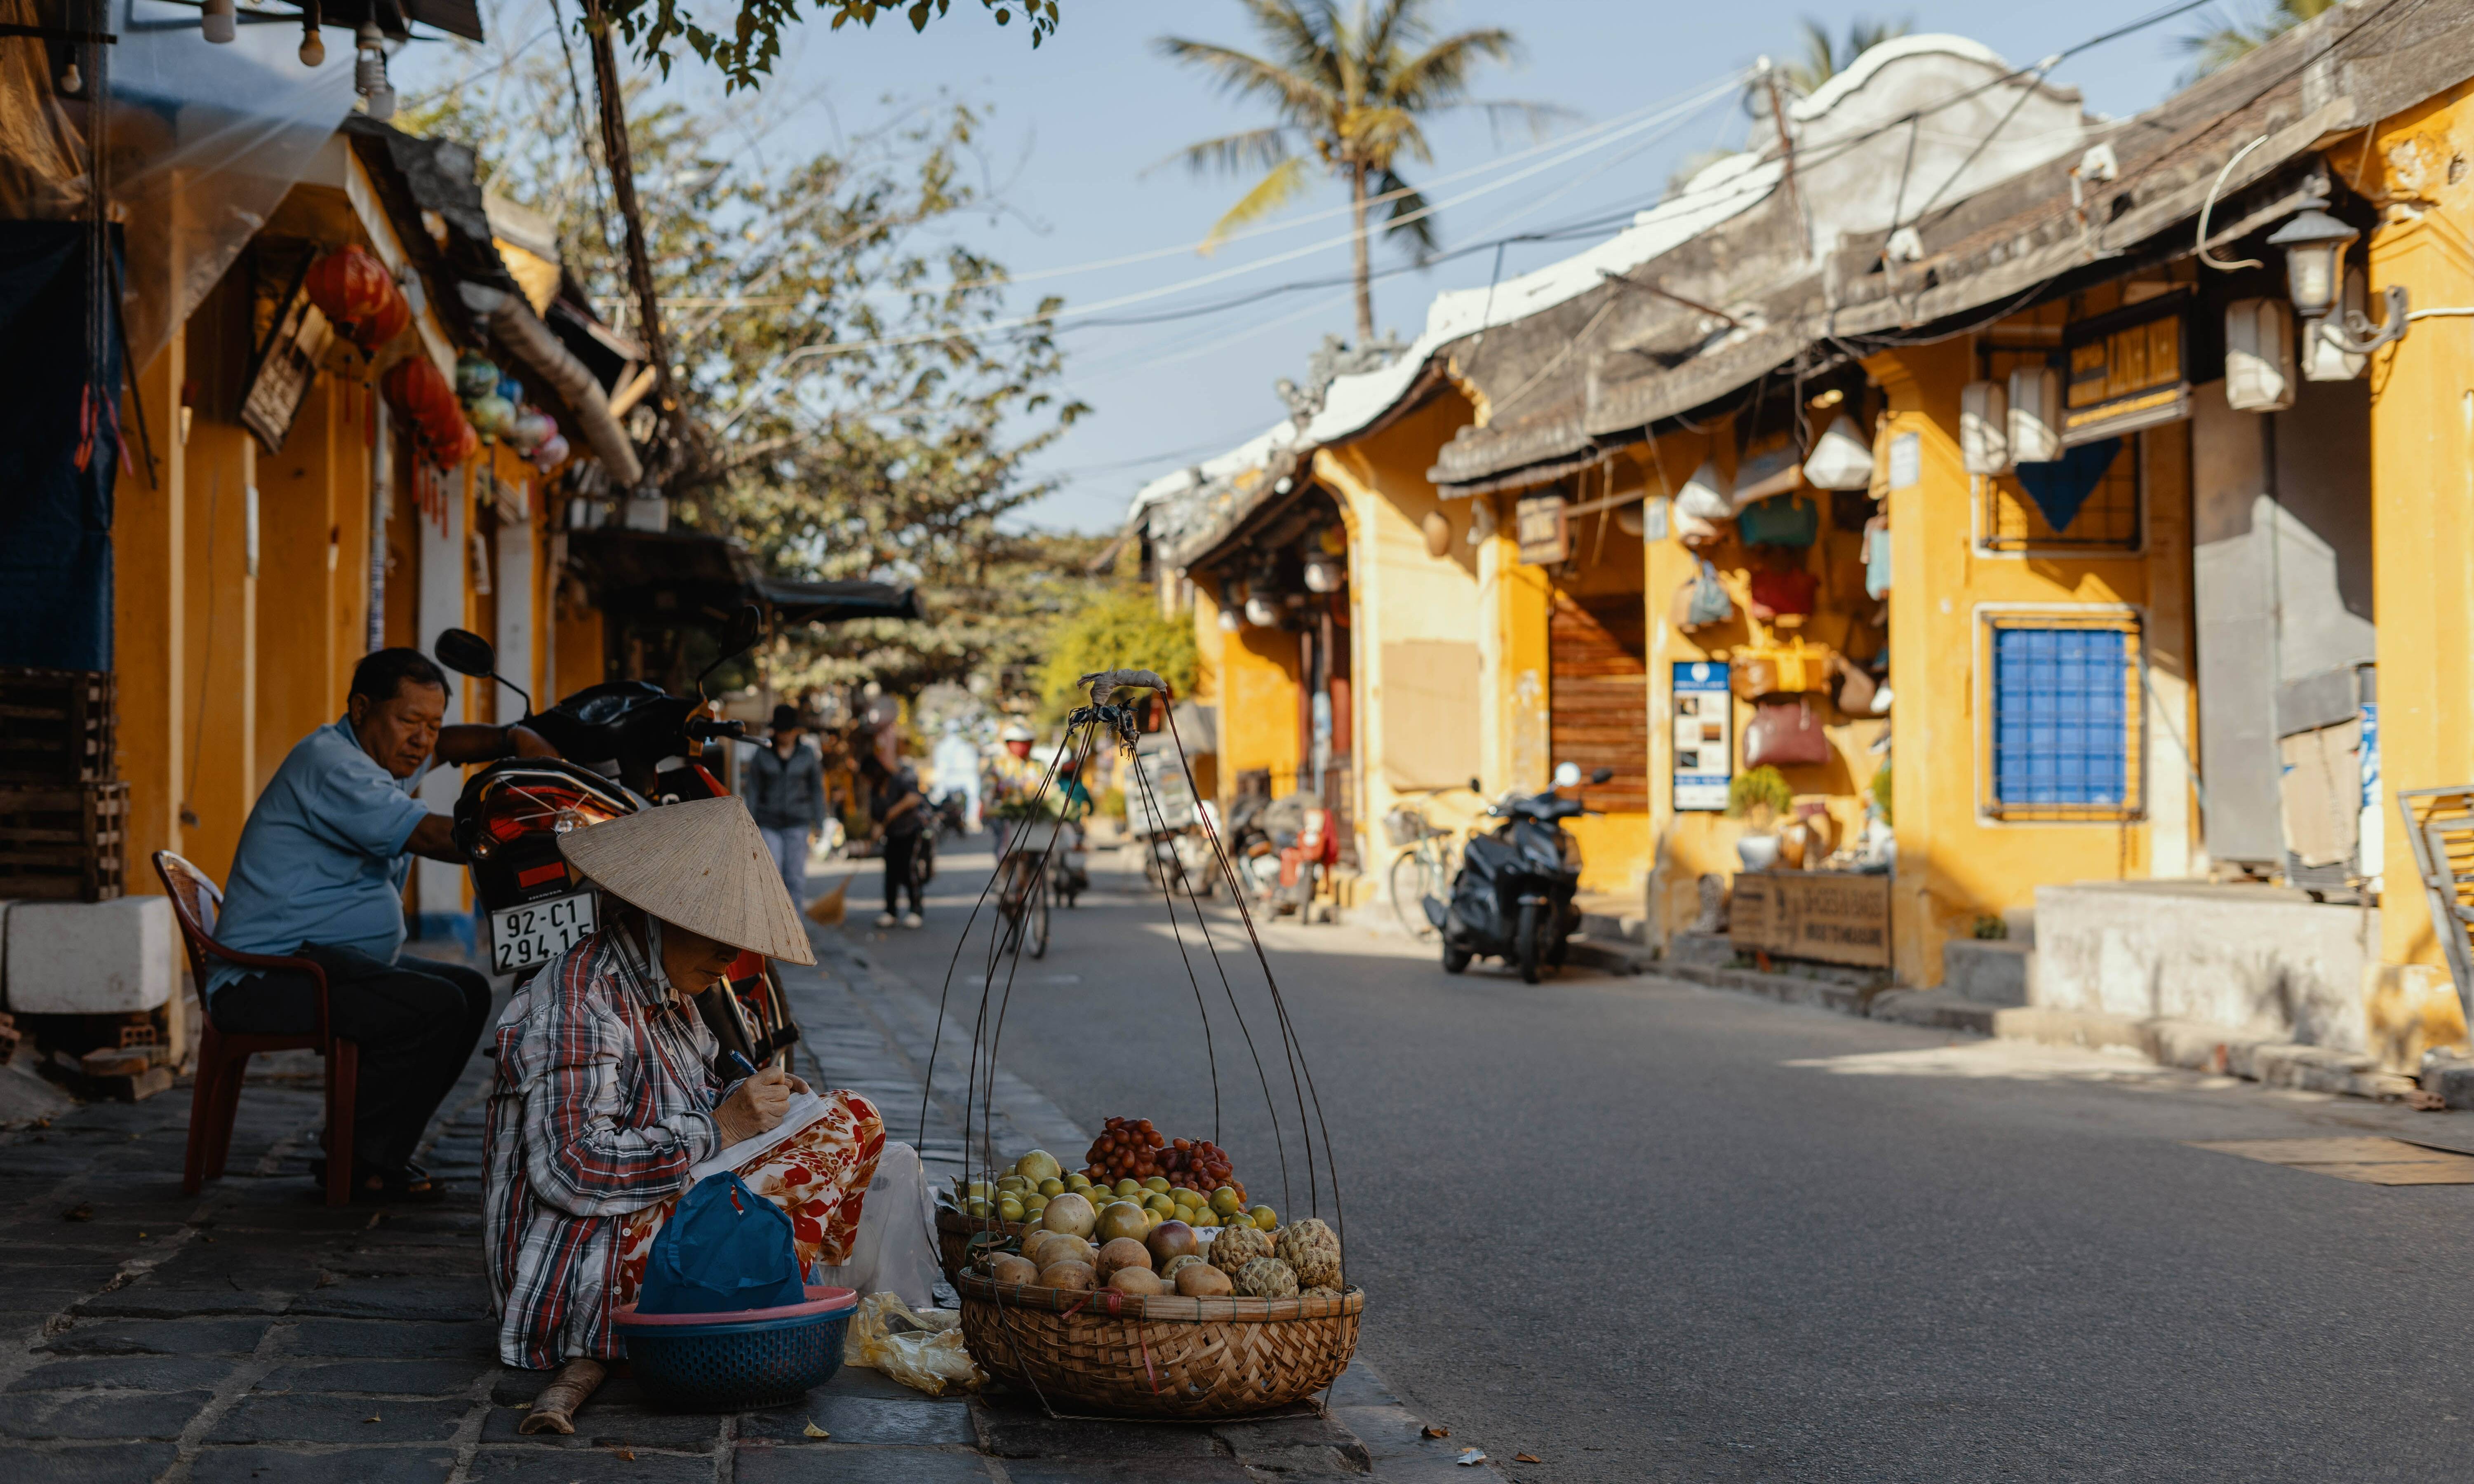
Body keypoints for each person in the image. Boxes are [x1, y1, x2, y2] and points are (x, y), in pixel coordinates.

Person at [484, 795, 885, 1430]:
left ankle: (768, 1285)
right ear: (655, 917)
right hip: (588, 1263)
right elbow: (570, 1167)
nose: (731, 956)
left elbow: (699, 1087)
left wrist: (759, 1098)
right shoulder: (578, 1002)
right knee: (840, 1127)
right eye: (716, 931)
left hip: (648, 1216)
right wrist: (724, 1126)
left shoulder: (668, 994)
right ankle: (757, 1297)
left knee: (850, 1119)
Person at [209, 647, 555, 1201]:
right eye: (409, 721)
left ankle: (374, 1147)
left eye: (432, 722)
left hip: (324, 963)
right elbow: (430, 836)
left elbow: (447, 748)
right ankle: (360, 1159)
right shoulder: (333, 764)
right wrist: (542, 835)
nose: (422, 738)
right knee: (433, 1007)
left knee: (465, 989)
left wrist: (511, 740)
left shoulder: (376, 756)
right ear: (362, 708)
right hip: (268, 979)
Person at [740, 702, 825, 905]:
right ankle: (775, 928)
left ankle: (796, 930)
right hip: (769, 821)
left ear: (796, 731)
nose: (785, 735)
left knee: (795, 877)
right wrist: (750, 823)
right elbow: (753, 790)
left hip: (798, 821)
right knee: (773, 874)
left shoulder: (807, 754)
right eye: (781, 731)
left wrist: (820, 822)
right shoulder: (762, 754)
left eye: (789, 731)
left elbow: (817, 789)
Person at [863, 747, 926, 929]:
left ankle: (916, 910)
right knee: (891, 873)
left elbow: (915, 798)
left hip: (910, 831)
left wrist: (895, 810)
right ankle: (890, 912)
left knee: (909, 870)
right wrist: (875, 831)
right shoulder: (875, 792)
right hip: (892, 836)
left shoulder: (899, 781)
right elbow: (877, 818)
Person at [983, 721, 1045, 861]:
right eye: (1016, 742)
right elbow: (988, 789)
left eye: (1025, 742)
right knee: (1005, 850)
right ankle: (1002, 878)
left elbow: (1050, 789)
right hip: (1006, 816)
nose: (1021, 746)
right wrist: (989, 806)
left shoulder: (1038, 766)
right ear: (1008, 744)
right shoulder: (999, 765)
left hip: (1034, 816)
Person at [929, 721, 983, 834]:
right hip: (948, 777)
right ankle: (935, 816)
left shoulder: (966, 746)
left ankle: (972, 819)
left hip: (964, 776)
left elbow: (972, 765)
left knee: (974, 790)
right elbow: (940, 766)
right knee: (937, 793)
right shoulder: (942, 746)